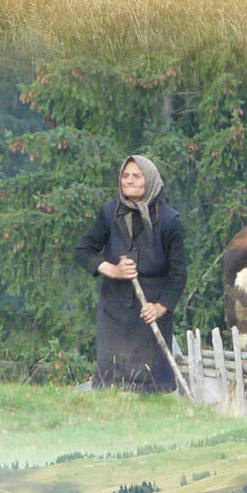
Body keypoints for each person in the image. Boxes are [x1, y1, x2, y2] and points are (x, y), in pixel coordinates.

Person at [75, 153, 186, 391]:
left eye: (137, 176)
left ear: (151, 180)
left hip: (149, 311)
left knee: (151, 385)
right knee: (111, 384)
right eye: (125, 175)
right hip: (114, 309)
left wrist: (160, 307)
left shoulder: (168, 221)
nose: (129, 180)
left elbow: (178, 274)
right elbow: (84, 251)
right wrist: (112, 270)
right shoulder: (109, 213)